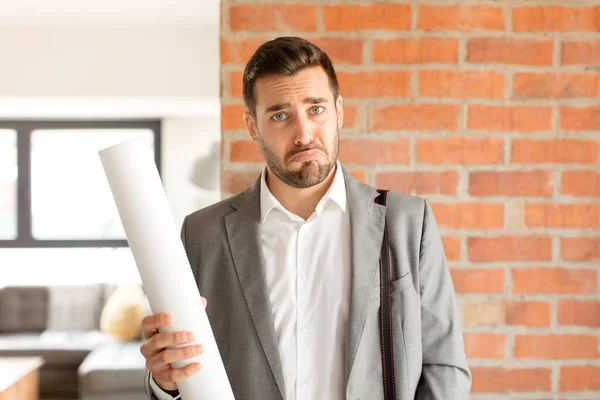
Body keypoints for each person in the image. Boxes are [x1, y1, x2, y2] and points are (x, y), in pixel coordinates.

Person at [140, 36, 471, 400]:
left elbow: (445, 367)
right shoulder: (202, 234)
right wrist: (165, 384)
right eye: (280, 115)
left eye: (316, 109)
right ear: (252, 127)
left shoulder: (408, 222)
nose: (303, 134)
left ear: (339, 111)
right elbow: (184, 373)